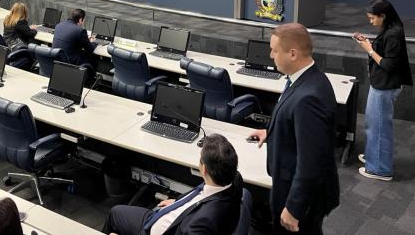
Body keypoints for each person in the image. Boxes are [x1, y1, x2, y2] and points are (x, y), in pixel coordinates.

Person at [250, 23, 339, 234]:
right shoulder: (303, 79)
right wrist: (271, 132)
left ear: (292, 53)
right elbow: (294, 123)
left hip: (300, 197)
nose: (271, 55)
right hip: (289, 183)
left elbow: (311, 161)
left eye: (275, 50)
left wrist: (294, 207)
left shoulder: (309, 98)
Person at [102, 134, 243, 235]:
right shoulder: (231, 178)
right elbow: (199, 196)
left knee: (114, 215)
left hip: (154, 230)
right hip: (168, 215)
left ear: (204, 169)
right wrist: (177, 202)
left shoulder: (201, 223)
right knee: (116, 212)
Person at [353, 0, 412, 181]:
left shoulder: (393, 34)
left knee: (379, 128)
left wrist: (369, 49)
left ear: (383, 16)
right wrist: (370, 43)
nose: (370, 21)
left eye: (372, 18)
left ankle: (380, 169)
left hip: (385, 87)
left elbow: (389, 65)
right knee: (373, 125)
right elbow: (385, 51)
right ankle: (374, 157)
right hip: (381, 85)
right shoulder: (388, 29)